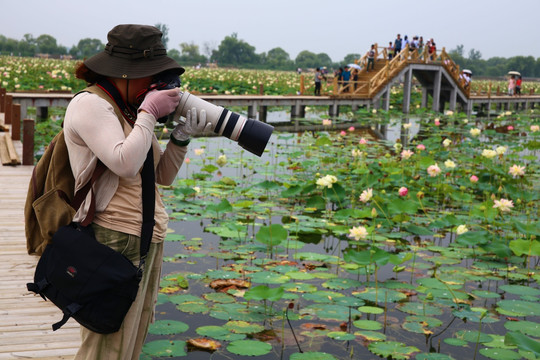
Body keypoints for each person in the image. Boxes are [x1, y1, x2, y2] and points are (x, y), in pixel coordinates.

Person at [63, 24, 211, 359]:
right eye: (151, 75)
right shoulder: (92, 105)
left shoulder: (129, 109)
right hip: (112, 237)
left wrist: (182, 134)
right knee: (106, 343)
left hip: (147, 236)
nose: (157, 84)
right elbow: (124, 163)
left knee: (134, 338)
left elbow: (161, 175)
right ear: (126, 73)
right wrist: (148, 113)